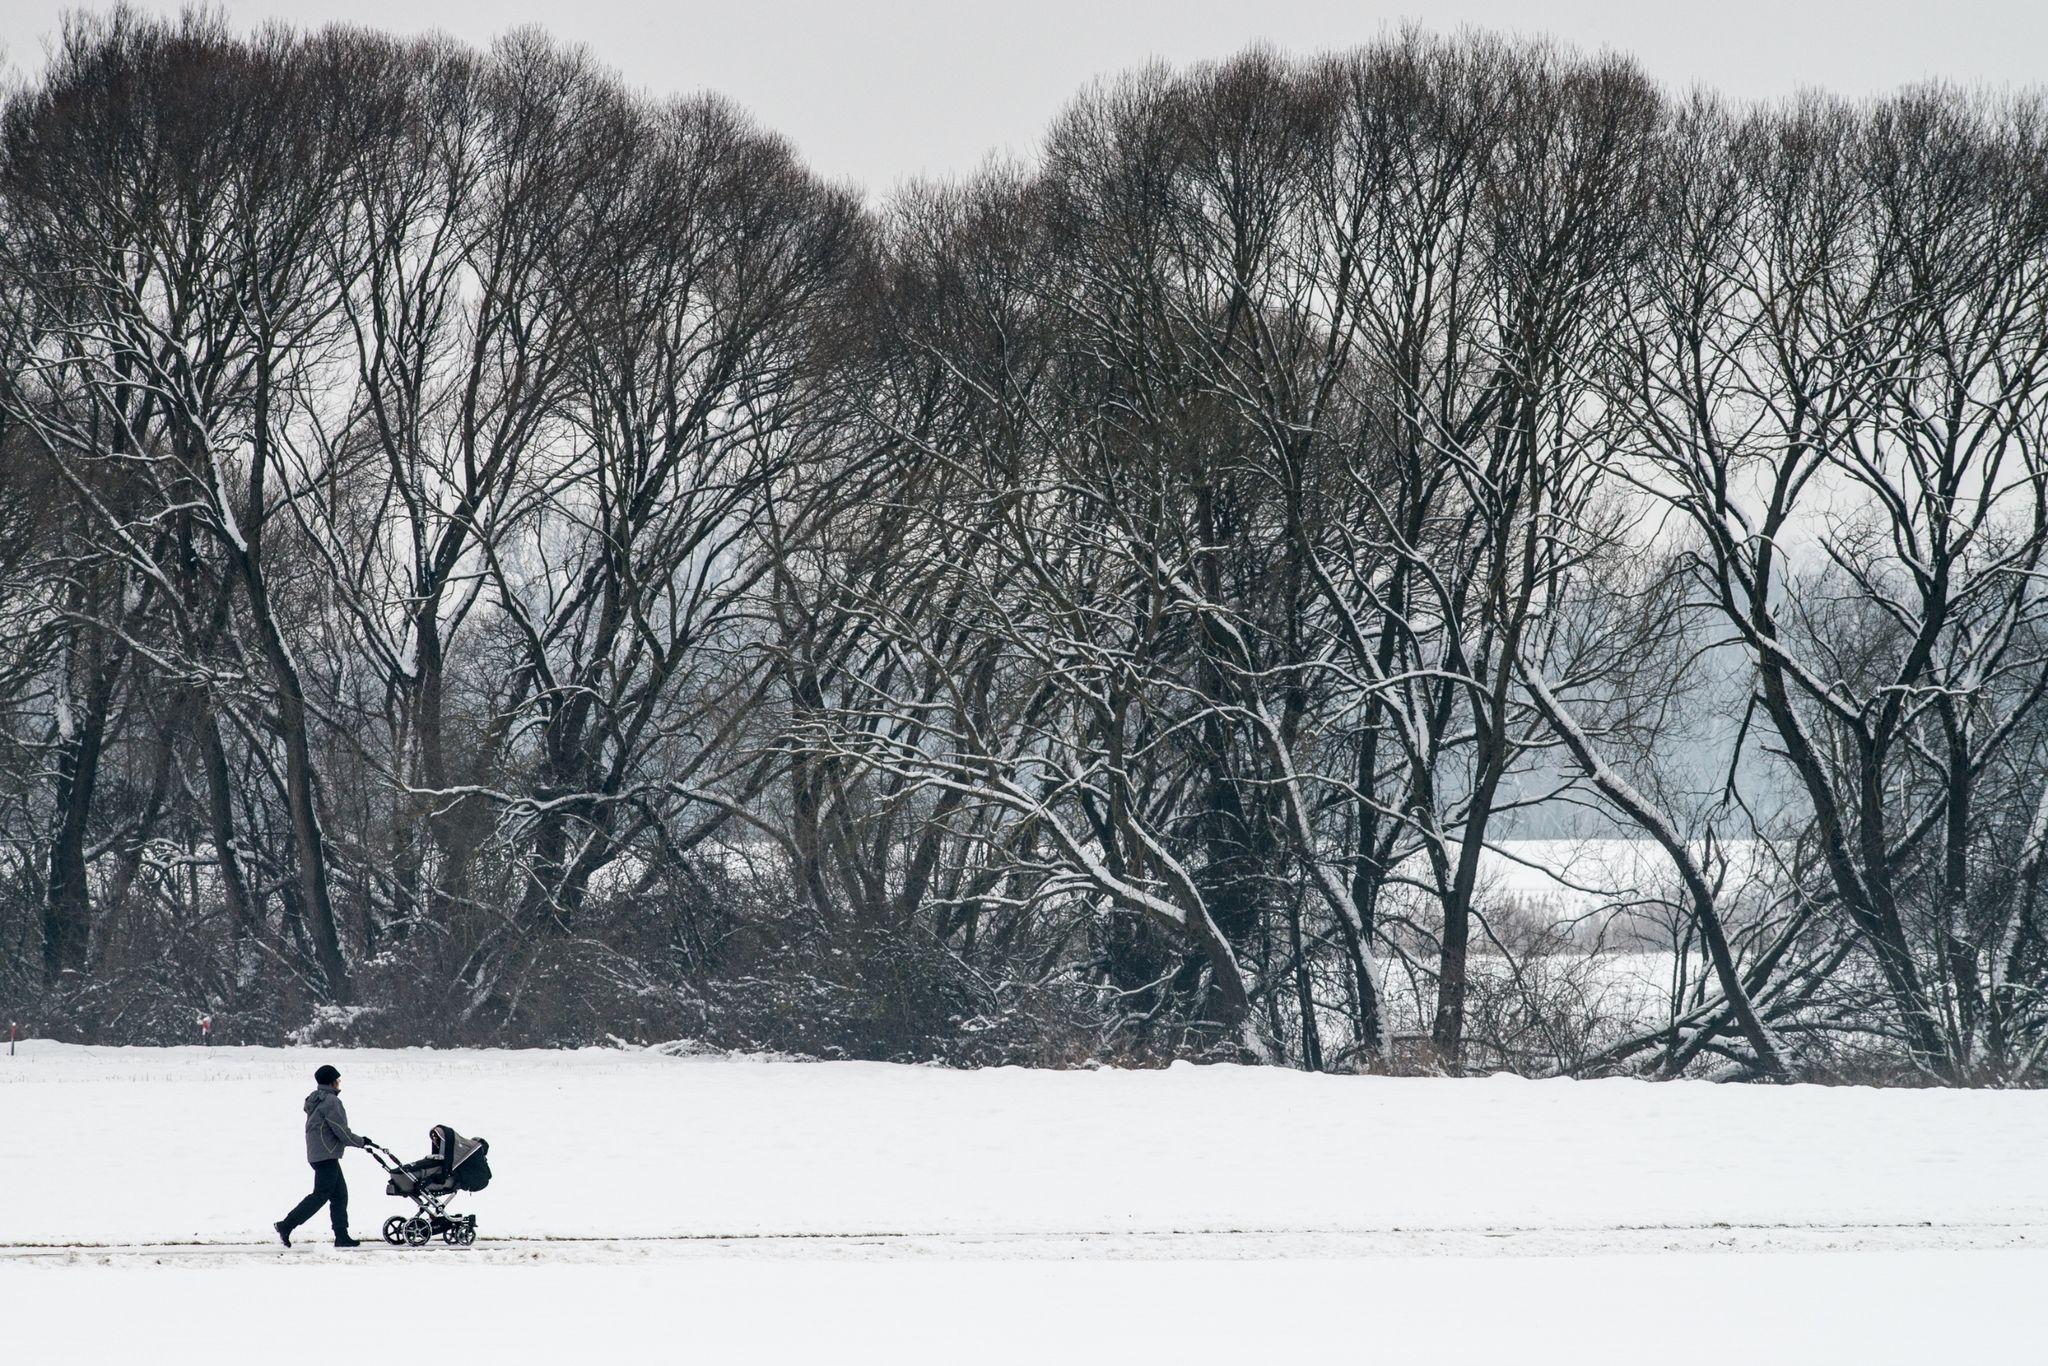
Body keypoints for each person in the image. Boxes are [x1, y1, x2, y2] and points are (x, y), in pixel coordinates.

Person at [274, 1063, 375, 1248]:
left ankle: (342, 1236)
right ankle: (286, 1225)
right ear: (332, 1081)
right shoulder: (331, 1101)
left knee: (340, 1196)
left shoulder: (316, 1098)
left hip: (319, 1153)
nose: (339, 1082)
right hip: (326, 1154)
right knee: (320, 1195)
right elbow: (340, 1131)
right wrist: (361, 1142)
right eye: (337, 1079)